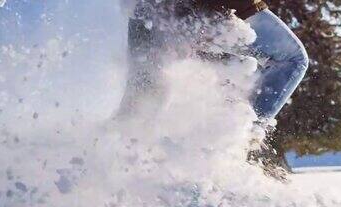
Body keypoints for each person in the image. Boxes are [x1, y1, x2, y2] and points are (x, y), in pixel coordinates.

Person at [118, 0, 309, 122]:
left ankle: (105, 160)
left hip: (148, 13)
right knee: (291, 59)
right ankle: (243, 140)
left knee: (142, 102)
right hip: (198, 13)